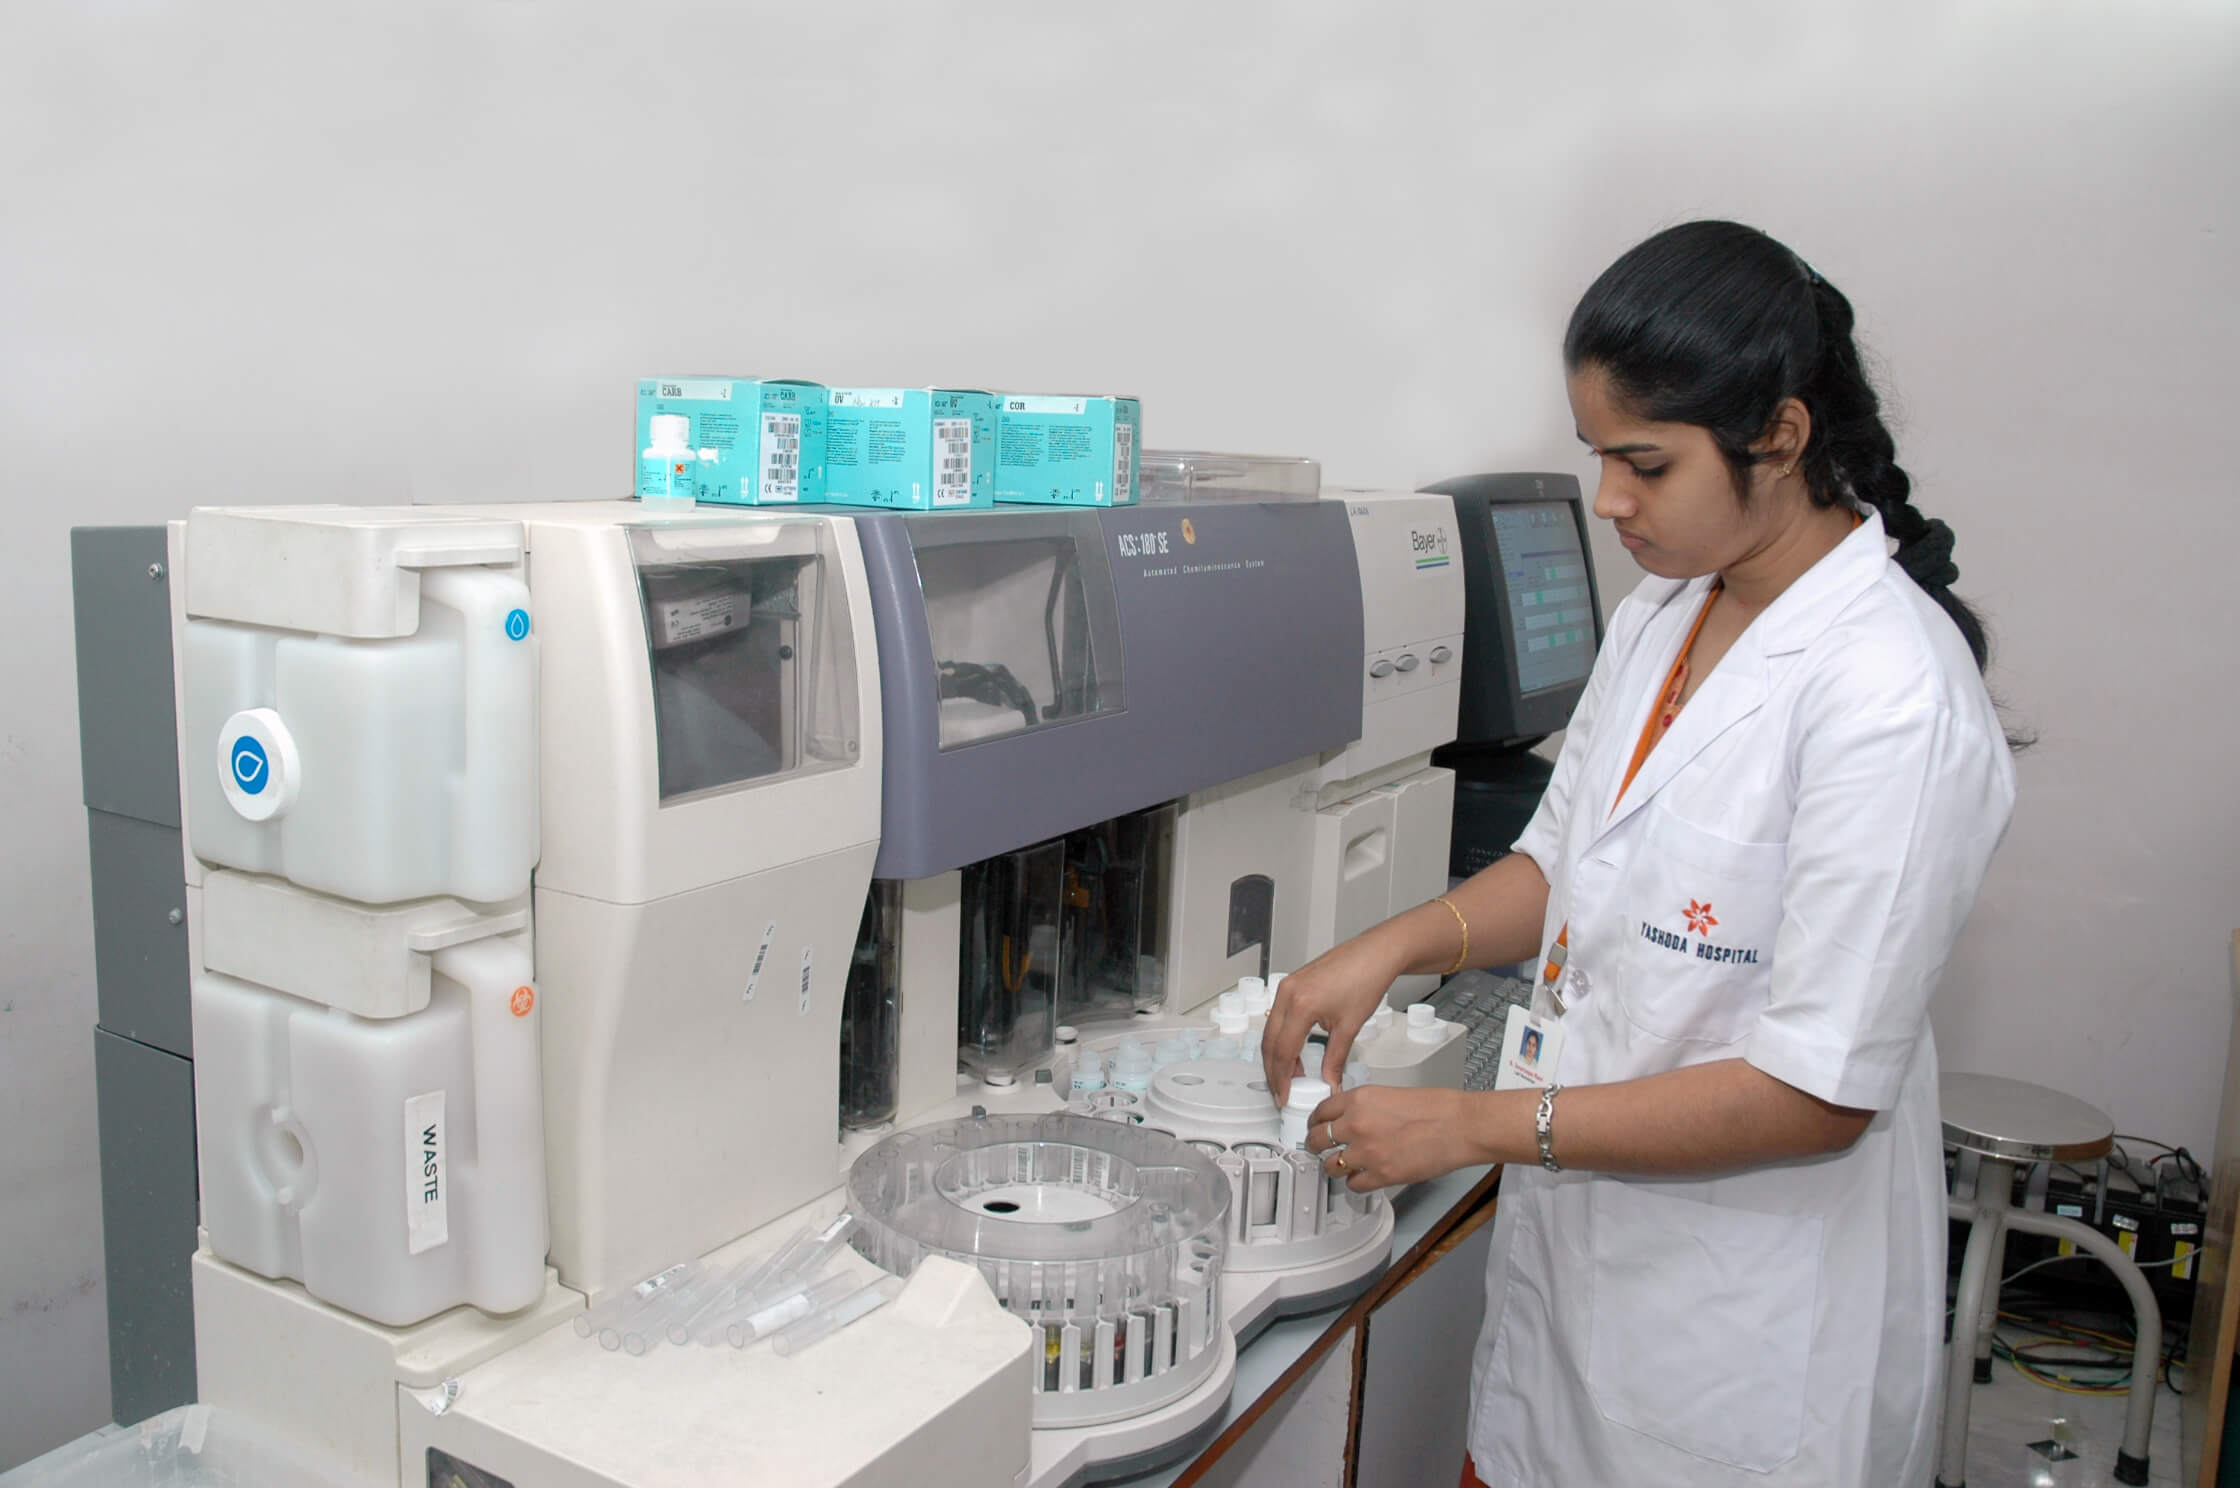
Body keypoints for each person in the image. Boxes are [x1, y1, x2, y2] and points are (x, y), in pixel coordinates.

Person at [1261, 219, 2017, 1488]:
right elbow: (1560, 865)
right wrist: (1389, 947)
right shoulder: (1666, 612)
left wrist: (1470, 1124)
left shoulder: (1889, 698)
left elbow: (1814, 1094)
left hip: (1740, 1348)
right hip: (1579, 1298)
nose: (1610, 500)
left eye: (1644, 463)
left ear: (1779, 435)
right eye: (1598, 457)